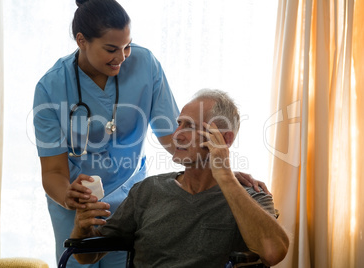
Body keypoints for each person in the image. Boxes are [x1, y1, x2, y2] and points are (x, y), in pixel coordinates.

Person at [33, 0, 269, 267]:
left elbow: (175, 136)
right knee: (79, 257)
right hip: (76, 199)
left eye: (127, 46)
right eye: (111, 49)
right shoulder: (50, 88)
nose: (121, 57)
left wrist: (218, 172)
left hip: (128, 196)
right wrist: (68, 196)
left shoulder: (145, 65)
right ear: (81, 41)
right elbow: (53, 172)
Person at [71, 89, 289, 267]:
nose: (176, 135)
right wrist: (82, 226)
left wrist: (225, 175)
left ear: (224, 139)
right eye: (179, 124)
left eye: (191, 126)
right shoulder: (147, 190)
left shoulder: (253, 197)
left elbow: (273, 252)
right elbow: (86, 255)